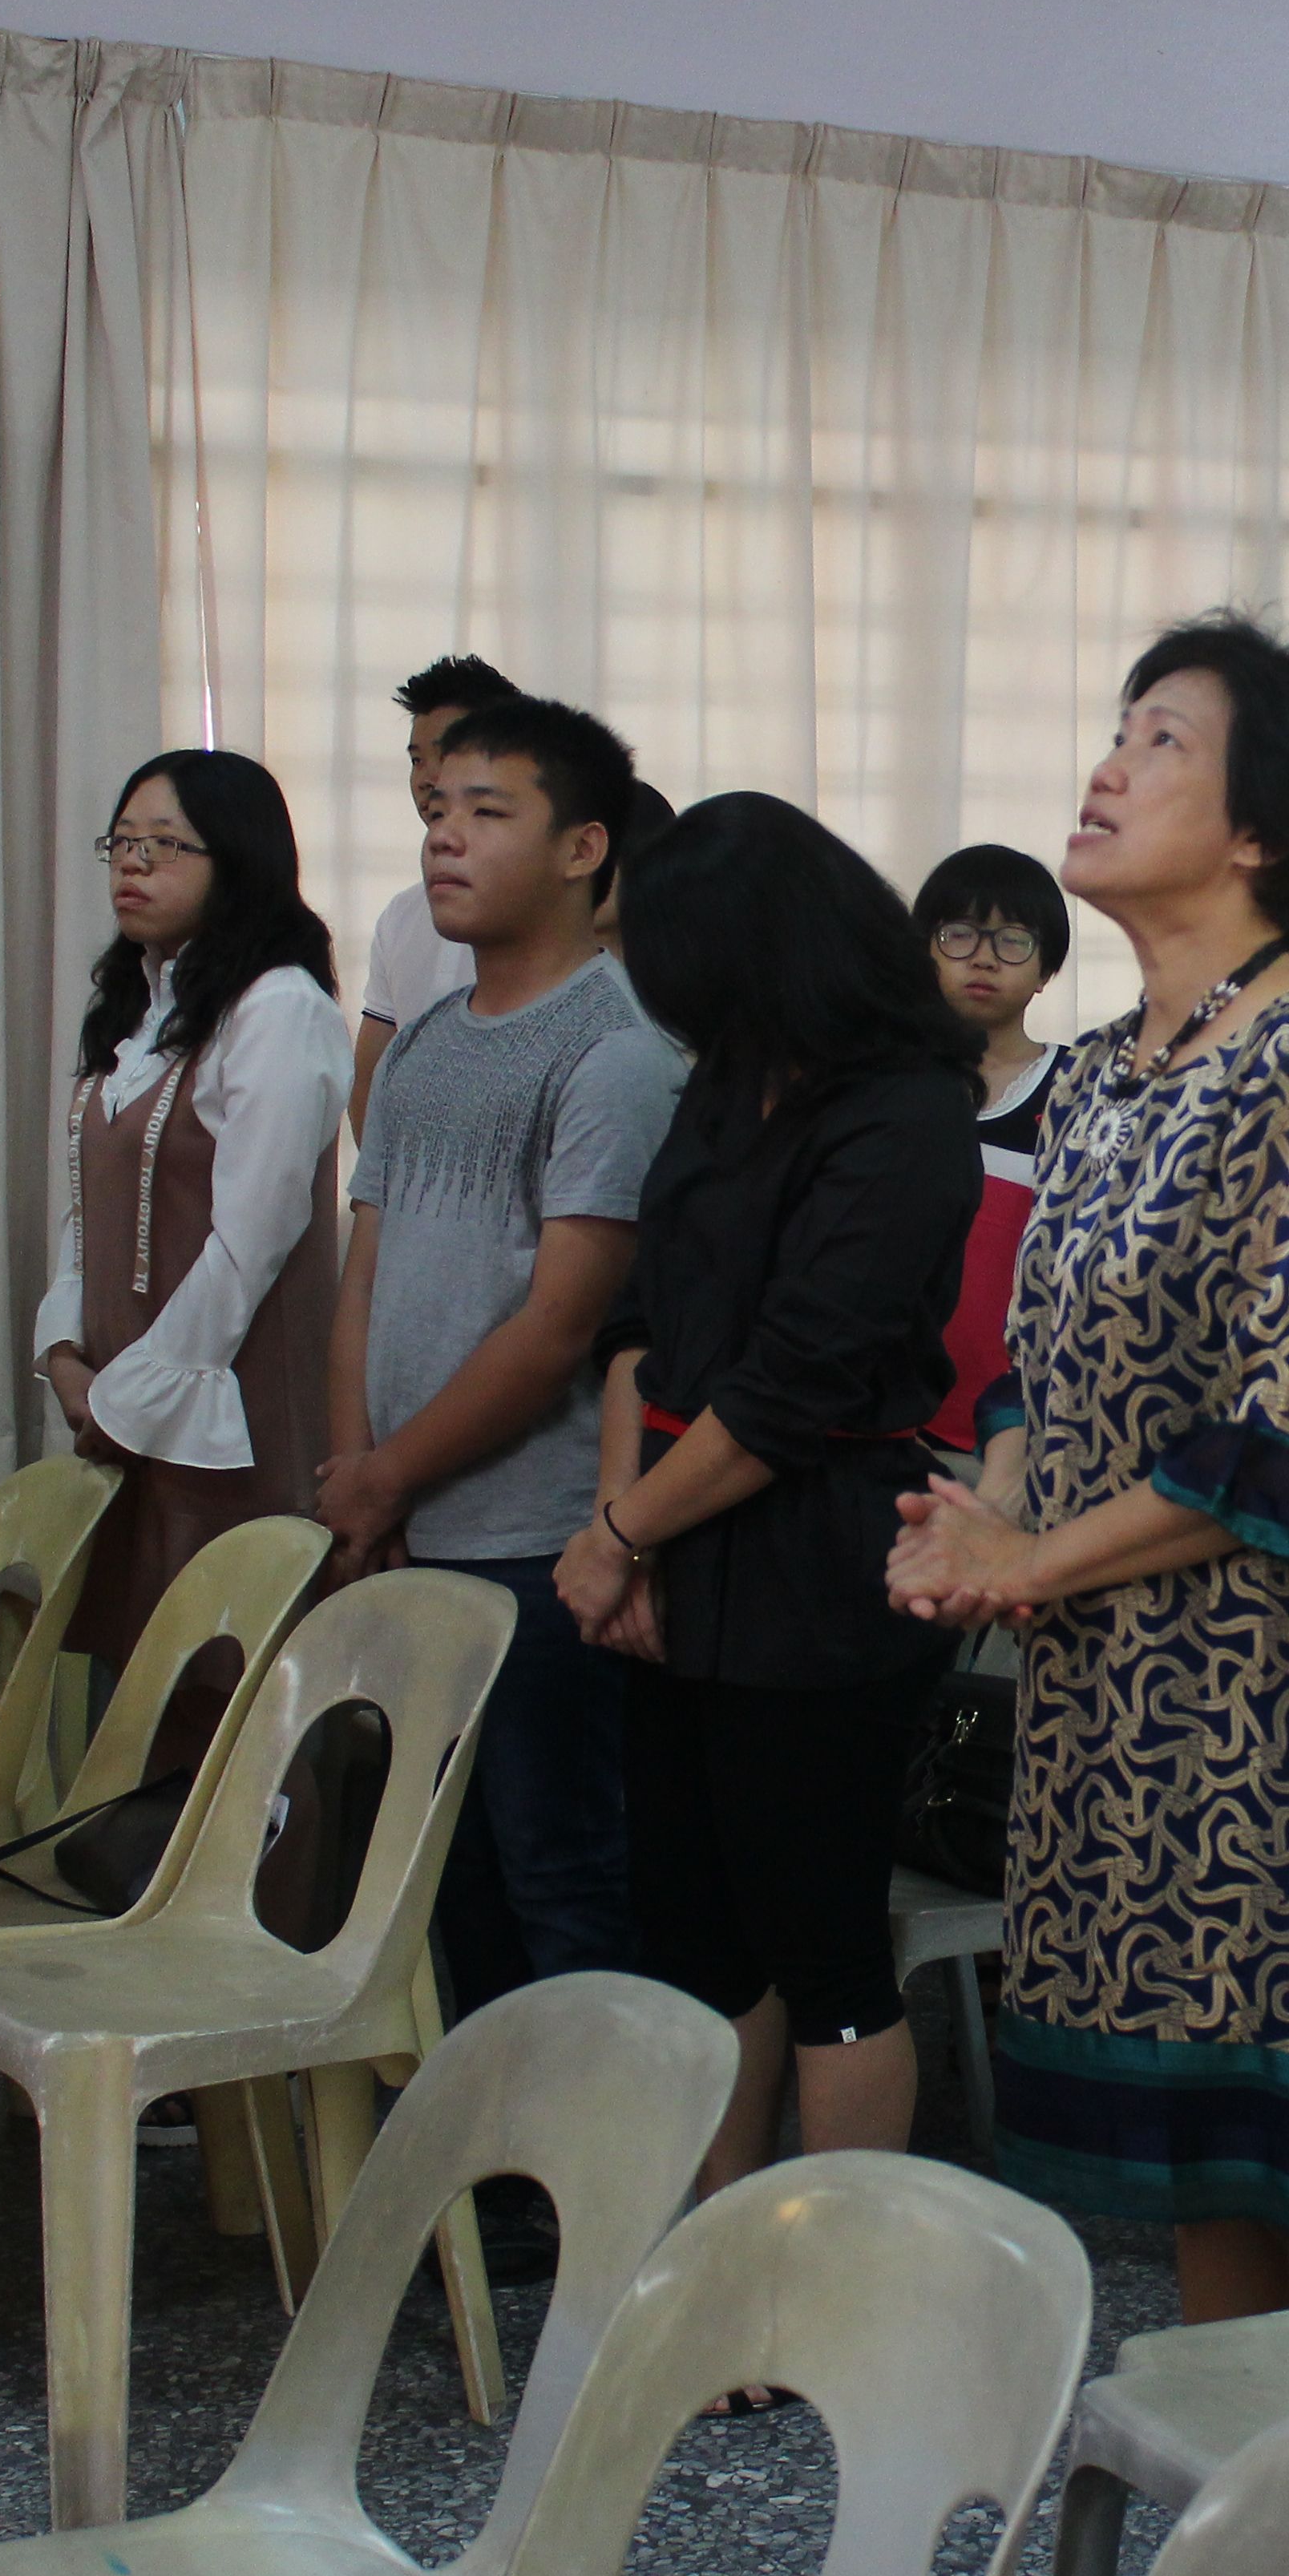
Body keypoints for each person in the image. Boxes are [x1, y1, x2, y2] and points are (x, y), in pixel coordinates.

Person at [886, 614, 1289, 2326]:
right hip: (1124, 1710)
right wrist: (994, 1501)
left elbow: (1285, 1438)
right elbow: (1045, 1362)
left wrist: (1025, 1565)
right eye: (1116, 729)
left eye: (1161, 744)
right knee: (1203, 2182)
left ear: (1262, 830)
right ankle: (1231, 2480)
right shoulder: (1102, 1077)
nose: (1106, 768)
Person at [560, 796, 982, 2215]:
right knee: (694, 1930)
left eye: (656, 952)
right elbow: (640, 1320)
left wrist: (623, 1535)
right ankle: (719, 2241)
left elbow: (793, 1391)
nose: (643, 983)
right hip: (674, 1538)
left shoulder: (910, 1109)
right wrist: (625, 1526)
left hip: (817, 1568)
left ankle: (827, 2273)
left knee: (821, 1948)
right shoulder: (729, 1074)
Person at [328, 694, 689, 2027]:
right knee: (453, 1890)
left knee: (566, 1887)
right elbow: (362, 1279)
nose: (445, 838)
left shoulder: (618, 1049)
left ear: (584, 848)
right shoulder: (423, 1040)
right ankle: (494, 2158)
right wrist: (359, 1480)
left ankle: (593, 2158)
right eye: (437, 809)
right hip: (411, 1528)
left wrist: (388, 1479)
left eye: (488, 813)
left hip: (540, 1549)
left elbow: (559, 1328)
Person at [34, 751, 345, 1692]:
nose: (134, 864)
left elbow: (252, 1245)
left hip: (223, 1422)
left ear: (239, 860)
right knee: (132, 1698)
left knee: (223, 1694)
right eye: (123, 842)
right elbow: (87, 1209)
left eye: (166, 845)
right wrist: (64, 1355)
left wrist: (128, 1399)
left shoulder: (279, 1008)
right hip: (121, 1416)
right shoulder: (142, 1008)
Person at [915, 842, 1070, 1450]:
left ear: (1046, 969)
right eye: (959, 935)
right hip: (882, 1422)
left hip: (1019, 1430)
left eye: (1013, 941)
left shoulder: (1082, 1092)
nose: (983, 958)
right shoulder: (883, 1085)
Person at [349, 653, 519, 1135]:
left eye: (443, 755)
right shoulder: (402, 915)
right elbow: (370, 1081)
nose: (425, 778)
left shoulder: (544, 906)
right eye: (416, 760)